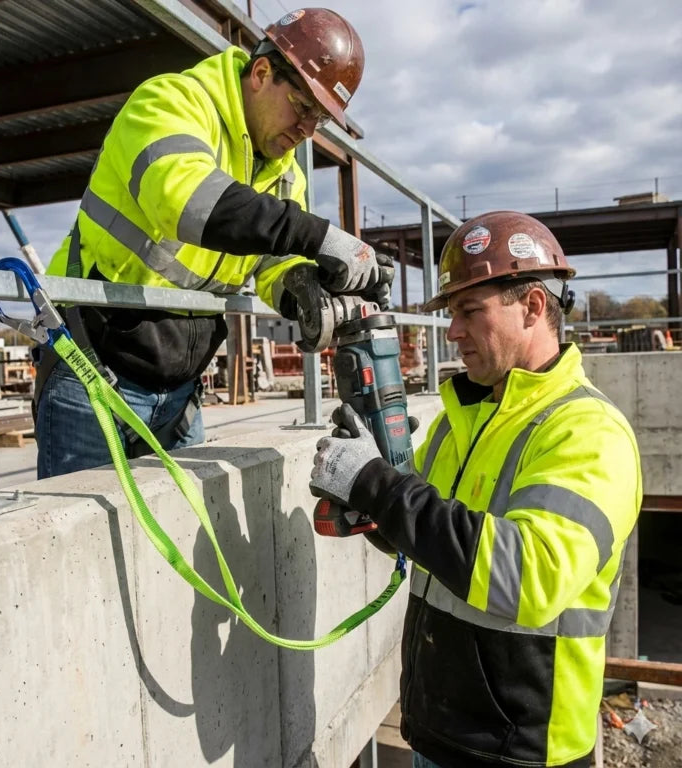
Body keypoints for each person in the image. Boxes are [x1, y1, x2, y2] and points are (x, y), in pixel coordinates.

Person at [310, 211, 642, 768]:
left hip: (523, 750)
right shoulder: (457, 421)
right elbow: (428, 539)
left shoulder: (588, 432)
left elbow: (524, 579)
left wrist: (376, 483)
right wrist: (367, 507)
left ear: (532, 306)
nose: (453, 332)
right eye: (452, 314)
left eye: (470, 311)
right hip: (440, 732)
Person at [35, 7, 391, 478]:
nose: (307, 130)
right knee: (83, 522)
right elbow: (186, 201)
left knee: (184, 525)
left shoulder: (286, 176)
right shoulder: (171, 101)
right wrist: (318, 235)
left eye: (320, 120)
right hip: (92, 366)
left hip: (181, 389)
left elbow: (273, 261)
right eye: (304, 107)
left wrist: (303, 289)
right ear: (260, 73)